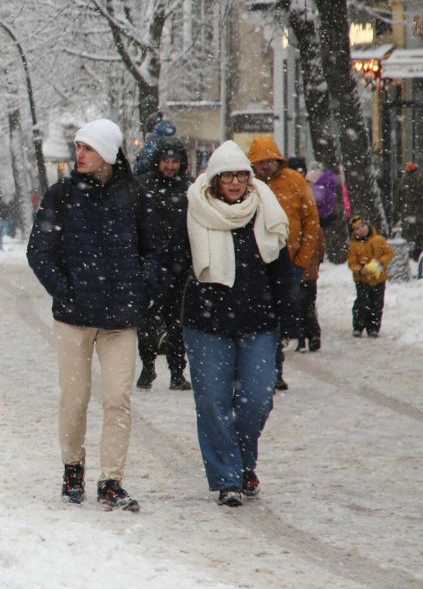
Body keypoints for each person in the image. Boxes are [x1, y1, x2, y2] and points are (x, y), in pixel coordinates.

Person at [159, 140, 297, 507]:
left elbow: (282, 271)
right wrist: (150, 305)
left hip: (259, 322)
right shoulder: (194, 212)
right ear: (214, 180)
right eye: (227, 176)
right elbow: (172, 264)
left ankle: (241, 460)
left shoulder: (265, 211)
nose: (235, 183)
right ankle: (228, 478)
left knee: (257, 399)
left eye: (241, 175)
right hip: (206, 324)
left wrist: (293, 315)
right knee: (213, 402)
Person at [27, 118, 150, 511]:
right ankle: (72, 468)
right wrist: (67, 291)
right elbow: (39, 251)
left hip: (120, 322)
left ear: (109, 154)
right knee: (75, 398)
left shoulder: (134, 196)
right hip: (73, 319)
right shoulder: (61, 194)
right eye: (78, 146)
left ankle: (111, 480)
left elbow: (159, 254)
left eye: (88, 148)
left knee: (118, 399)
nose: (79, 154)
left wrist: (140, 294)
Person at [248, 136, 321, 390]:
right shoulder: (249, 185)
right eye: (260, 162)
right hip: (255, 264)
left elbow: (311, 220)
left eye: (269, 161)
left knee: (279, 320)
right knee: (258, 320)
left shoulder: (294, 181)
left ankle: (275, 370)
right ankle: (255, 370)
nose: (265, 166)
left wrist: (302, 260)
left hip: (289, 263)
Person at [136, 136, 191, 391]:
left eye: (175, 161)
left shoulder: (189, 191)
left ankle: (177, 372)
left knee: (176, 321)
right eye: (165, 161)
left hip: (180, 263)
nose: (170, 166)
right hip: (150, 264)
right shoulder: (142, 187)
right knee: (147, 320)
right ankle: (147, 367)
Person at [347, 216, 393, 338]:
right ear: (353, 232)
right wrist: (360, 270)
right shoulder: (354, 245)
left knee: (377, 304)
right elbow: (352, 263)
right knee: (363, 302)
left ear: (367, 226)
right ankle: (358, 325)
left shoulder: (379, 239)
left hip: (379, 279)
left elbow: (389, 253)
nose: (361, 230)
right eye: (357, 229)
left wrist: (380, 263)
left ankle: (373, 327)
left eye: (362, 226)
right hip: (362, 280)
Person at [308, 164, 346, 264]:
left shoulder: (318, 190)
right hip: (327, 219)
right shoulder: (329, 187)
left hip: (319, 220)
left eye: (308, 182)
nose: (307, 184)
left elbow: (313, 204)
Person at [396, 163, 423, 273]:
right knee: (419, 238)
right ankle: (418, 259)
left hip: (408, 215)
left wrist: (399, 212)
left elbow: (399, 199)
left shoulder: (404, 181)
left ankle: (411, 258)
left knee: (409, 238)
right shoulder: (420, 179)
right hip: (419, 216)